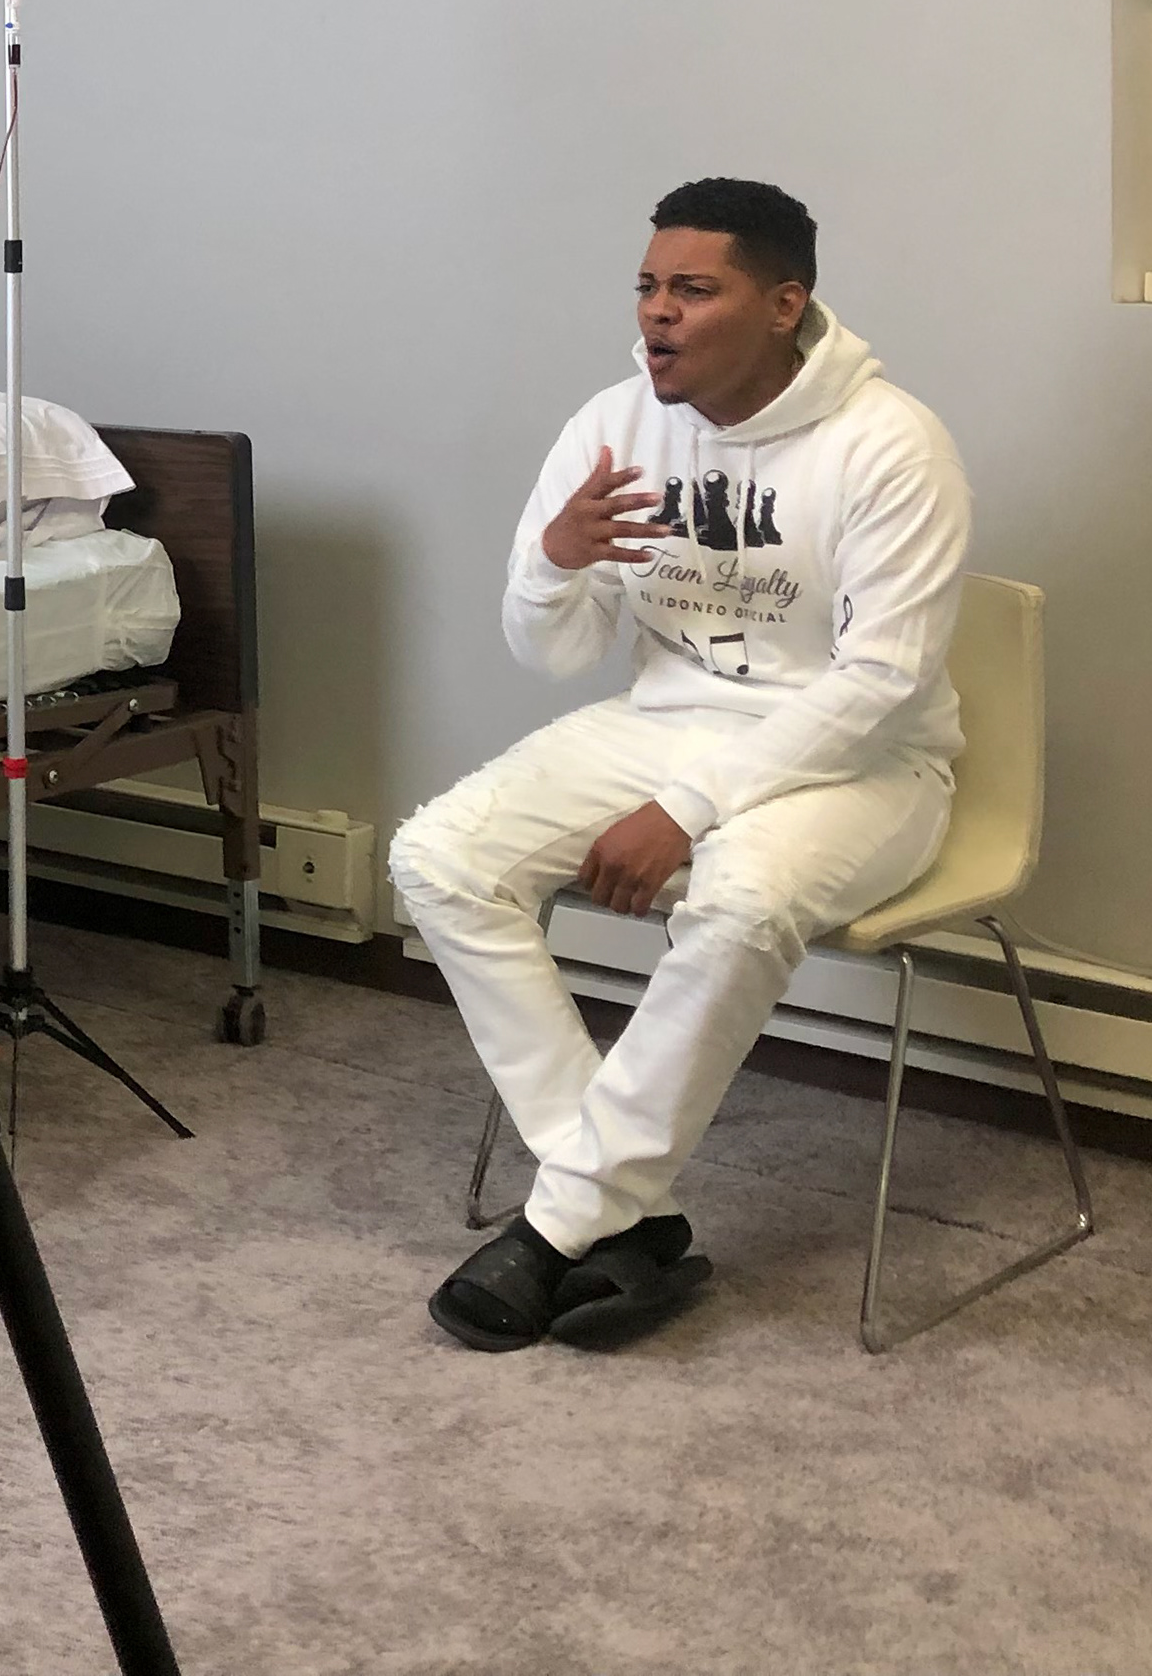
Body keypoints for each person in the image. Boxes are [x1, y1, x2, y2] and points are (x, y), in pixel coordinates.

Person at [389, 177, 969, 1352]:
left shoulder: (891, 443)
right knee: (439, 858)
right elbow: (557, 653)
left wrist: (687, 810)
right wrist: (554, 563)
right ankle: (627, 1217)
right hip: (666, 719)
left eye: (693, 290)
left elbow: (882, 685)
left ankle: (557, 1226)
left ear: (783, 304)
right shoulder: (614, 425)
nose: (657, 312)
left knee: (741, 899)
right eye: (648, 286)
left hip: (870, 764)